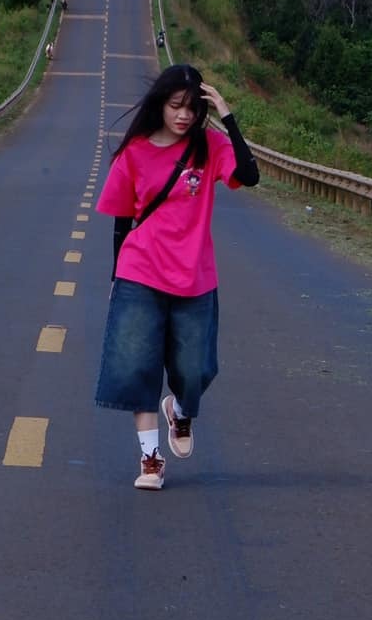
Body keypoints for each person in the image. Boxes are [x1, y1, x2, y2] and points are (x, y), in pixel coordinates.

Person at [94, 64, 258, 491]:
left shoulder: (211, 147)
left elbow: (250, 174)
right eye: (175, 106)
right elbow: (122, 219)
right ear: (160, 105)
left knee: (196, 370)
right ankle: (150, 460)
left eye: (192, 108)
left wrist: (227, 114)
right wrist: (116, 276)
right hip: (140, 271)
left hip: (194, 277)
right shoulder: (135, 152)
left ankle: (180, 412)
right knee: (137, 367)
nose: (183, 116)